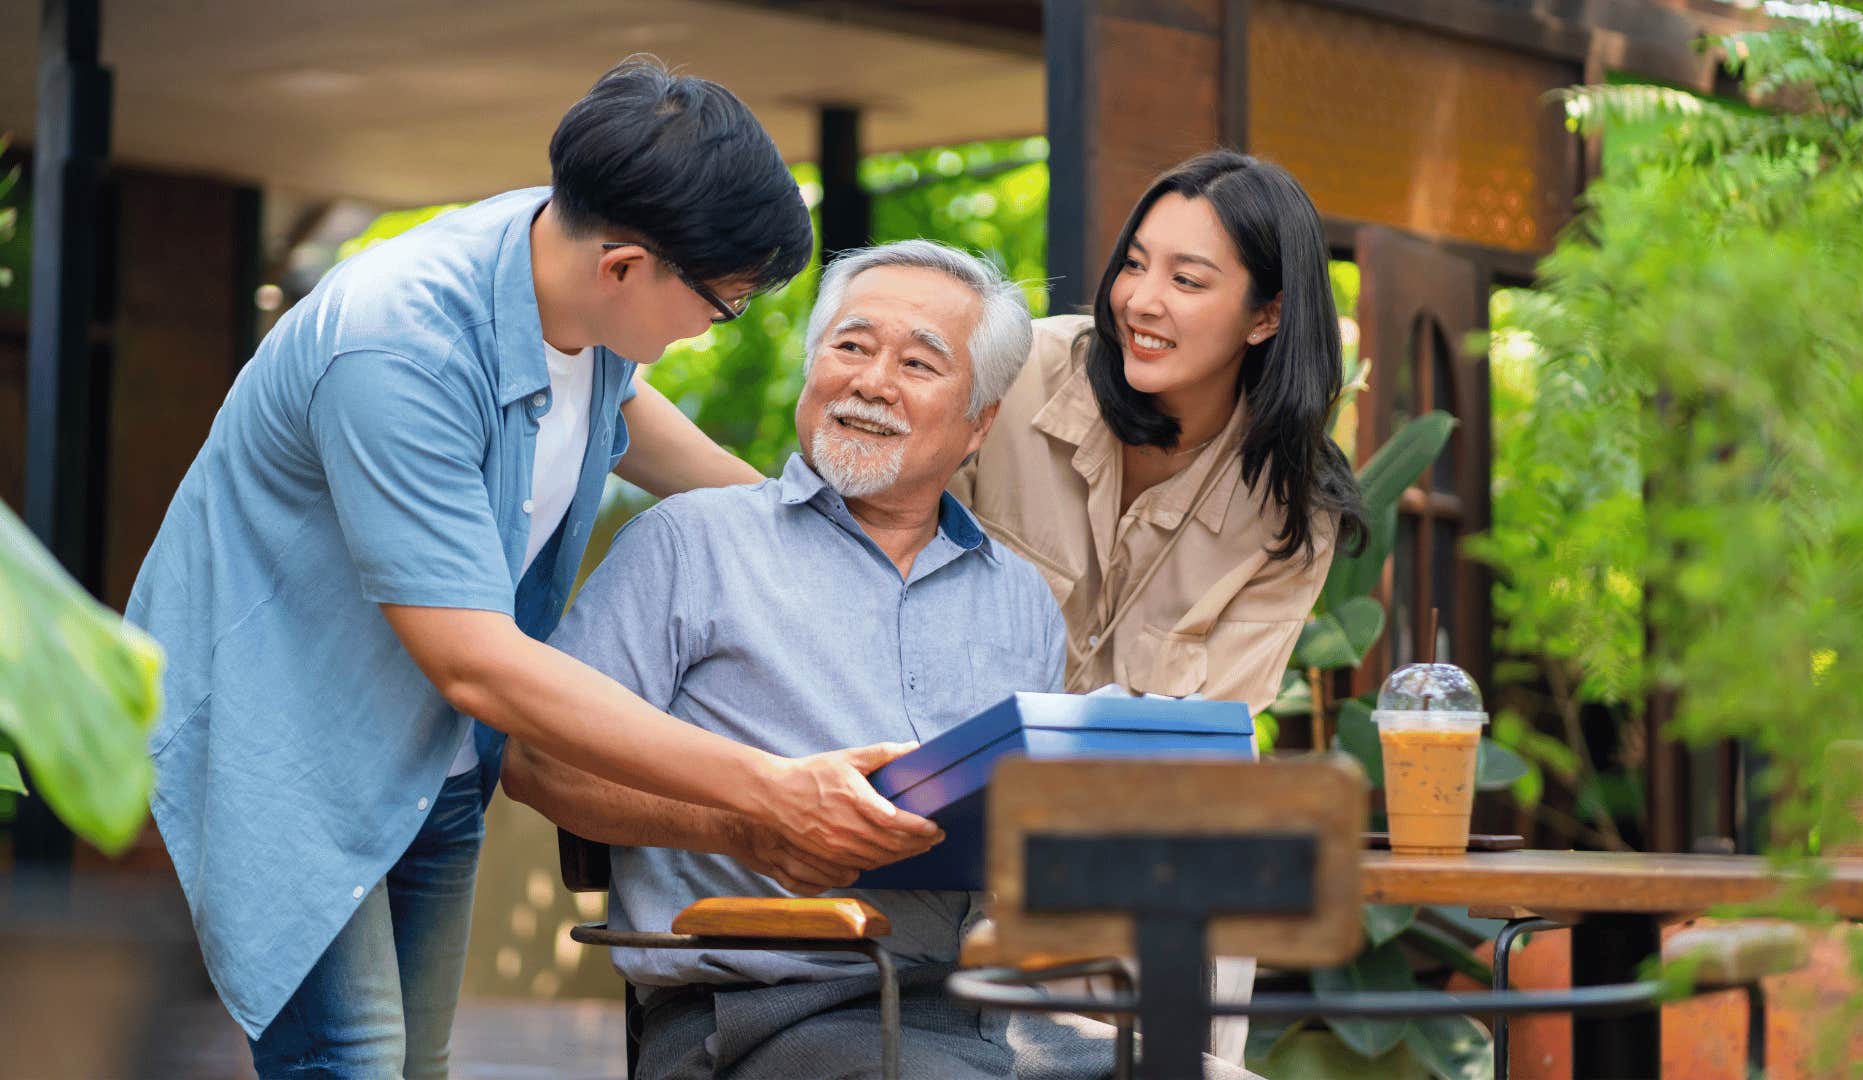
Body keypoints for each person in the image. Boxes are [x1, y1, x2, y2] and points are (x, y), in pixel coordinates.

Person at [125, 58, 936, 1077]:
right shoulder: (400, 348)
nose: (708, 329)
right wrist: (770, 790)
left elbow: (623, 409)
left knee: (417, 1064)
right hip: (289, 731)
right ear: (626, 267)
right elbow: (477, 663)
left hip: (431, 753)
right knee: (353, 1061)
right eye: (720, 306)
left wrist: (803, 531)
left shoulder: (561, 254)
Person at [502, 240, 1261, 1080]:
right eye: (851, 346)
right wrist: (746, 827)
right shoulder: (691, 543)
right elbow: (538, 762)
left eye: (919, 363)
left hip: (981, 1013)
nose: (871, 382)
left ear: (980, 422)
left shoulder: (1018, 599)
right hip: (755, 1015)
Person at [948, 150, 1367, 1064]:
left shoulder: (1294, 511)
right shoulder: (1019, 374)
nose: (1141, 298)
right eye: (1135, 263)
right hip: (952, 809)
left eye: (1187, 279)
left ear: (1269, 315)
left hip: (1139, 840)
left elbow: (1209, 735)